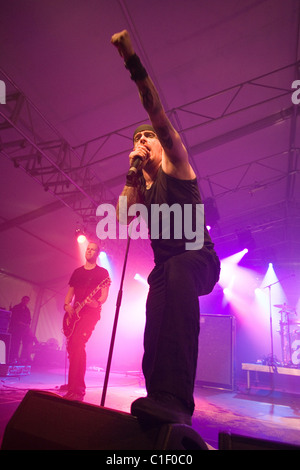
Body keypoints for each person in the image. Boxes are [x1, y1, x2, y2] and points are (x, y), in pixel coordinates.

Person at [112, 30, 220, 425]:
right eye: (137, 138)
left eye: (148, 137)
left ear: (160, 142)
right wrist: (131, 171)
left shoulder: (176, 164)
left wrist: (132, 62)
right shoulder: (143, 184)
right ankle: (158, 396)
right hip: (167, 268)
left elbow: (156, 112)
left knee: (174, 271)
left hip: (198, 258)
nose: (144, 139)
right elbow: (123, 216)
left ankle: (177, 399)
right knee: (155, 316)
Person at [63, 241, 111, 401]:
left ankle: (78, 389)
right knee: (72, 347)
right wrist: (67, 306)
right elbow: (70, 293)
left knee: (78, 342)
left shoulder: (102, 273)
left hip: (91, 313)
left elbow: (104, 295)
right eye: (88, 249)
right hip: (75, 313)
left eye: (93, 250)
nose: (89, 251)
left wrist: (96, 302)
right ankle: (72, 386)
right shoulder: (77, 272)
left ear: (98, 254)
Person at [9, 295, 35, 364]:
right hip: (16, 329)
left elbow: (29, 319)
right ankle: (12, 357)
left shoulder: (27, 310)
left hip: (23, 330)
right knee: (14, 343)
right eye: (25, 300)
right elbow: (13, 318)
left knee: (22, 343)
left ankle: (19, 357)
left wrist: (27, 324)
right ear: (22, 299)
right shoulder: (16, 307)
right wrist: (20, 323)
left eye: (27, 301)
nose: (25, 302)